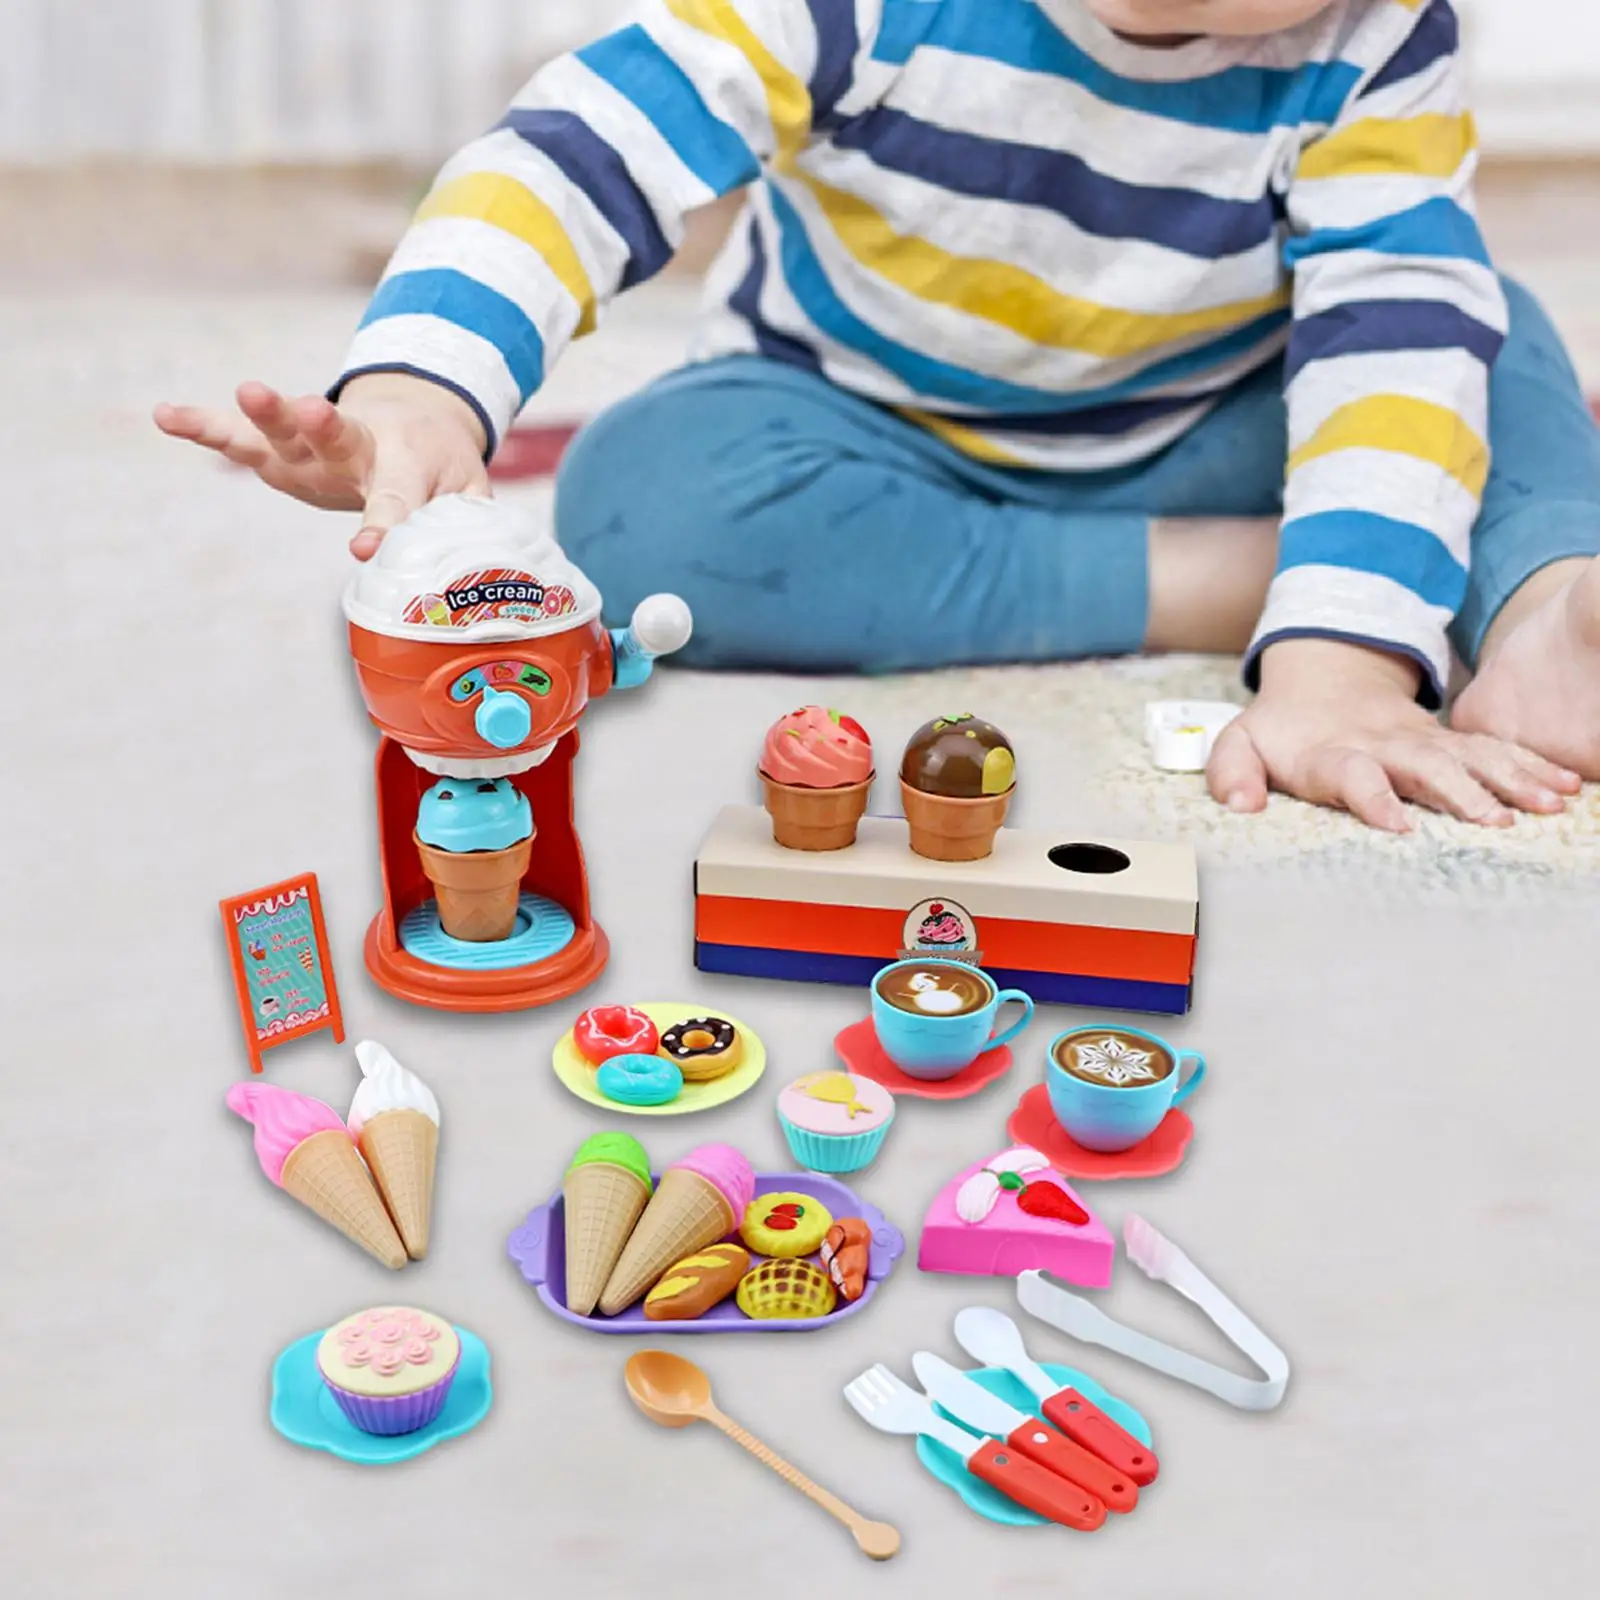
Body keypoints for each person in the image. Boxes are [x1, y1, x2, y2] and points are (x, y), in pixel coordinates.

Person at [155, 0, 1600, 832]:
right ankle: (1270, 580)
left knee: (1475, 338)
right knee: (646, 512)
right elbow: (579, 152)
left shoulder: (1379, 37)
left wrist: (1343, 676)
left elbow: (1392, 340)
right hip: (865, 429)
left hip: (1224, 414)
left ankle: (1539, 602)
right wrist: (422, 386)